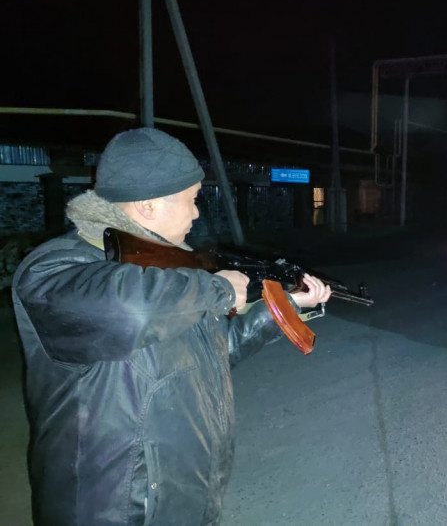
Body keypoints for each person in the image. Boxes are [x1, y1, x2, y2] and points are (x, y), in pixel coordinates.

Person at [12, 127, 331, 525]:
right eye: (192, 200)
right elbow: (130, 310)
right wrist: (216, 289)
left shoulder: (173, 273)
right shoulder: (55, 269)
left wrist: (287, 305)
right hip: (115, 510)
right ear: (147, 205)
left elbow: (214, 353)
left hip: (184, 499)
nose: (197, 213)